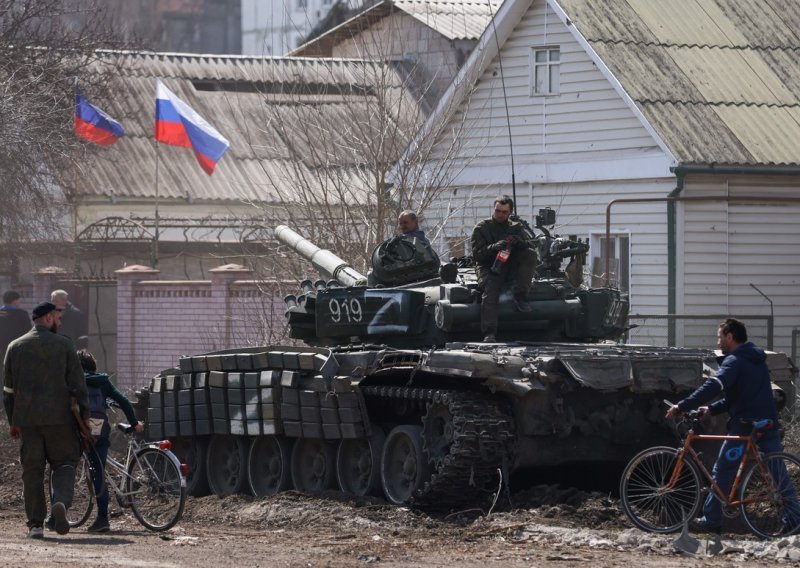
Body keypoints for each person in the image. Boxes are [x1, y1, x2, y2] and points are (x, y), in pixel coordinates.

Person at [667, 318, 799, 534]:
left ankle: (712, 520)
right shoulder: (756, 359)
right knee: (777, 470)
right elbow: (738, 397)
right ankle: (794, 517)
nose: (718, 341)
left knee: (724, 469)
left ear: (730, 337)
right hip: (767, 423)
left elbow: (714, 385)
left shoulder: (734, 361)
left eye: (720, 337)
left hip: (746, 425)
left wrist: (683, 405)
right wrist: (711, 410)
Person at [3, 301, 89, 539]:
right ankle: (60, 502)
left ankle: (35, 525)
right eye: (58, 319)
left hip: (27, 421)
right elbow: (79, 386)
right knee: (64, 464)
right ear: (49, 318)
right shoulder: (64, 345)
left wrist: (13, 421)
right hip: (60, 420)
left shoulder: (15, 346)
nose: (60, 323)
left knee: (32, 471)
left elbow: (8, 391)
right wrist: (85, 418)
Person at [76, 348, 144, 533]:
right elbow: (123, 400)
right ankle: (102, 518)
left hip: (79, 430)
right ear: (93, 366)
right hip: (100, 430)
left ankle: (56, 514)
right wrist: (134, 422)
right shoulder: (102, 381)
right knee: (99, 471)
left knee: (65, 465)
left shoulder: (74, 380)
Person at [470, 195, 537, 342]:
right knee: (491, 288)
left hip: (510, 263)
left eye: (504, 212)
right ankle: (489, 332)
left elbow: (530, 247)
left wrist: (519, 241)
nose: (500, 214)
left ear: (510, 213)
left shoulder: (516, 227)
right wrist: (494, 247)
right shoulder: (482, 228)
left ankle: (520, 294)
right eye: (497, 211)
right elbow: (477, 256)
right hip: (489, 266)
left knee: (530, 254)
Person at [0, 290, 31, 359]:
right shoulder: (22, 314)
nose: (19, 302)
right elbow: (28, 331)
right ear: (14, 301)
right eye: (19, 300)